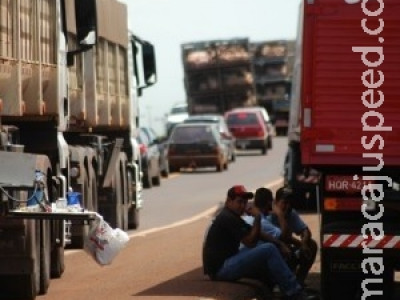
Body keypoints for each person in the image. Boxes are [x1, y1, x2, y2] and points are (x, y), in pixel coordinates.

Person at [202, 185, 318, 300]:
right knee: (268, 249)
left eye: (244, 202)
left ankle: (279, 286)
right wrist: (257, 217)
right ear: (229, 201)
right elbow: (250, 242)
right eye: (239, 202)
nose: (242, 206)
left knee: (267, 246)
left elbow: (259, 234)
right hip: (220, 270)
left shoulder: (233, 216)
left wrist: (279, 244)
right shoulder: (227, 217)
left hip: (227, 262)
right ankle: (294, 293)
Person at [269, 187, 318, 288]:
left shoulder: (291, 213)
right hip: (272, 253)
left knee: (311, 245)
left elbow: (305, 231)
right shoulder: (268, 215)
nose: (288, 206)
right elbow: (283, 237)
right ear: (276, 202)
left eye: (290, 203)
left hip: (286, 250)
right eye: (284, 203)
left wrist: (304, 243)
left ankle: (299, 282)